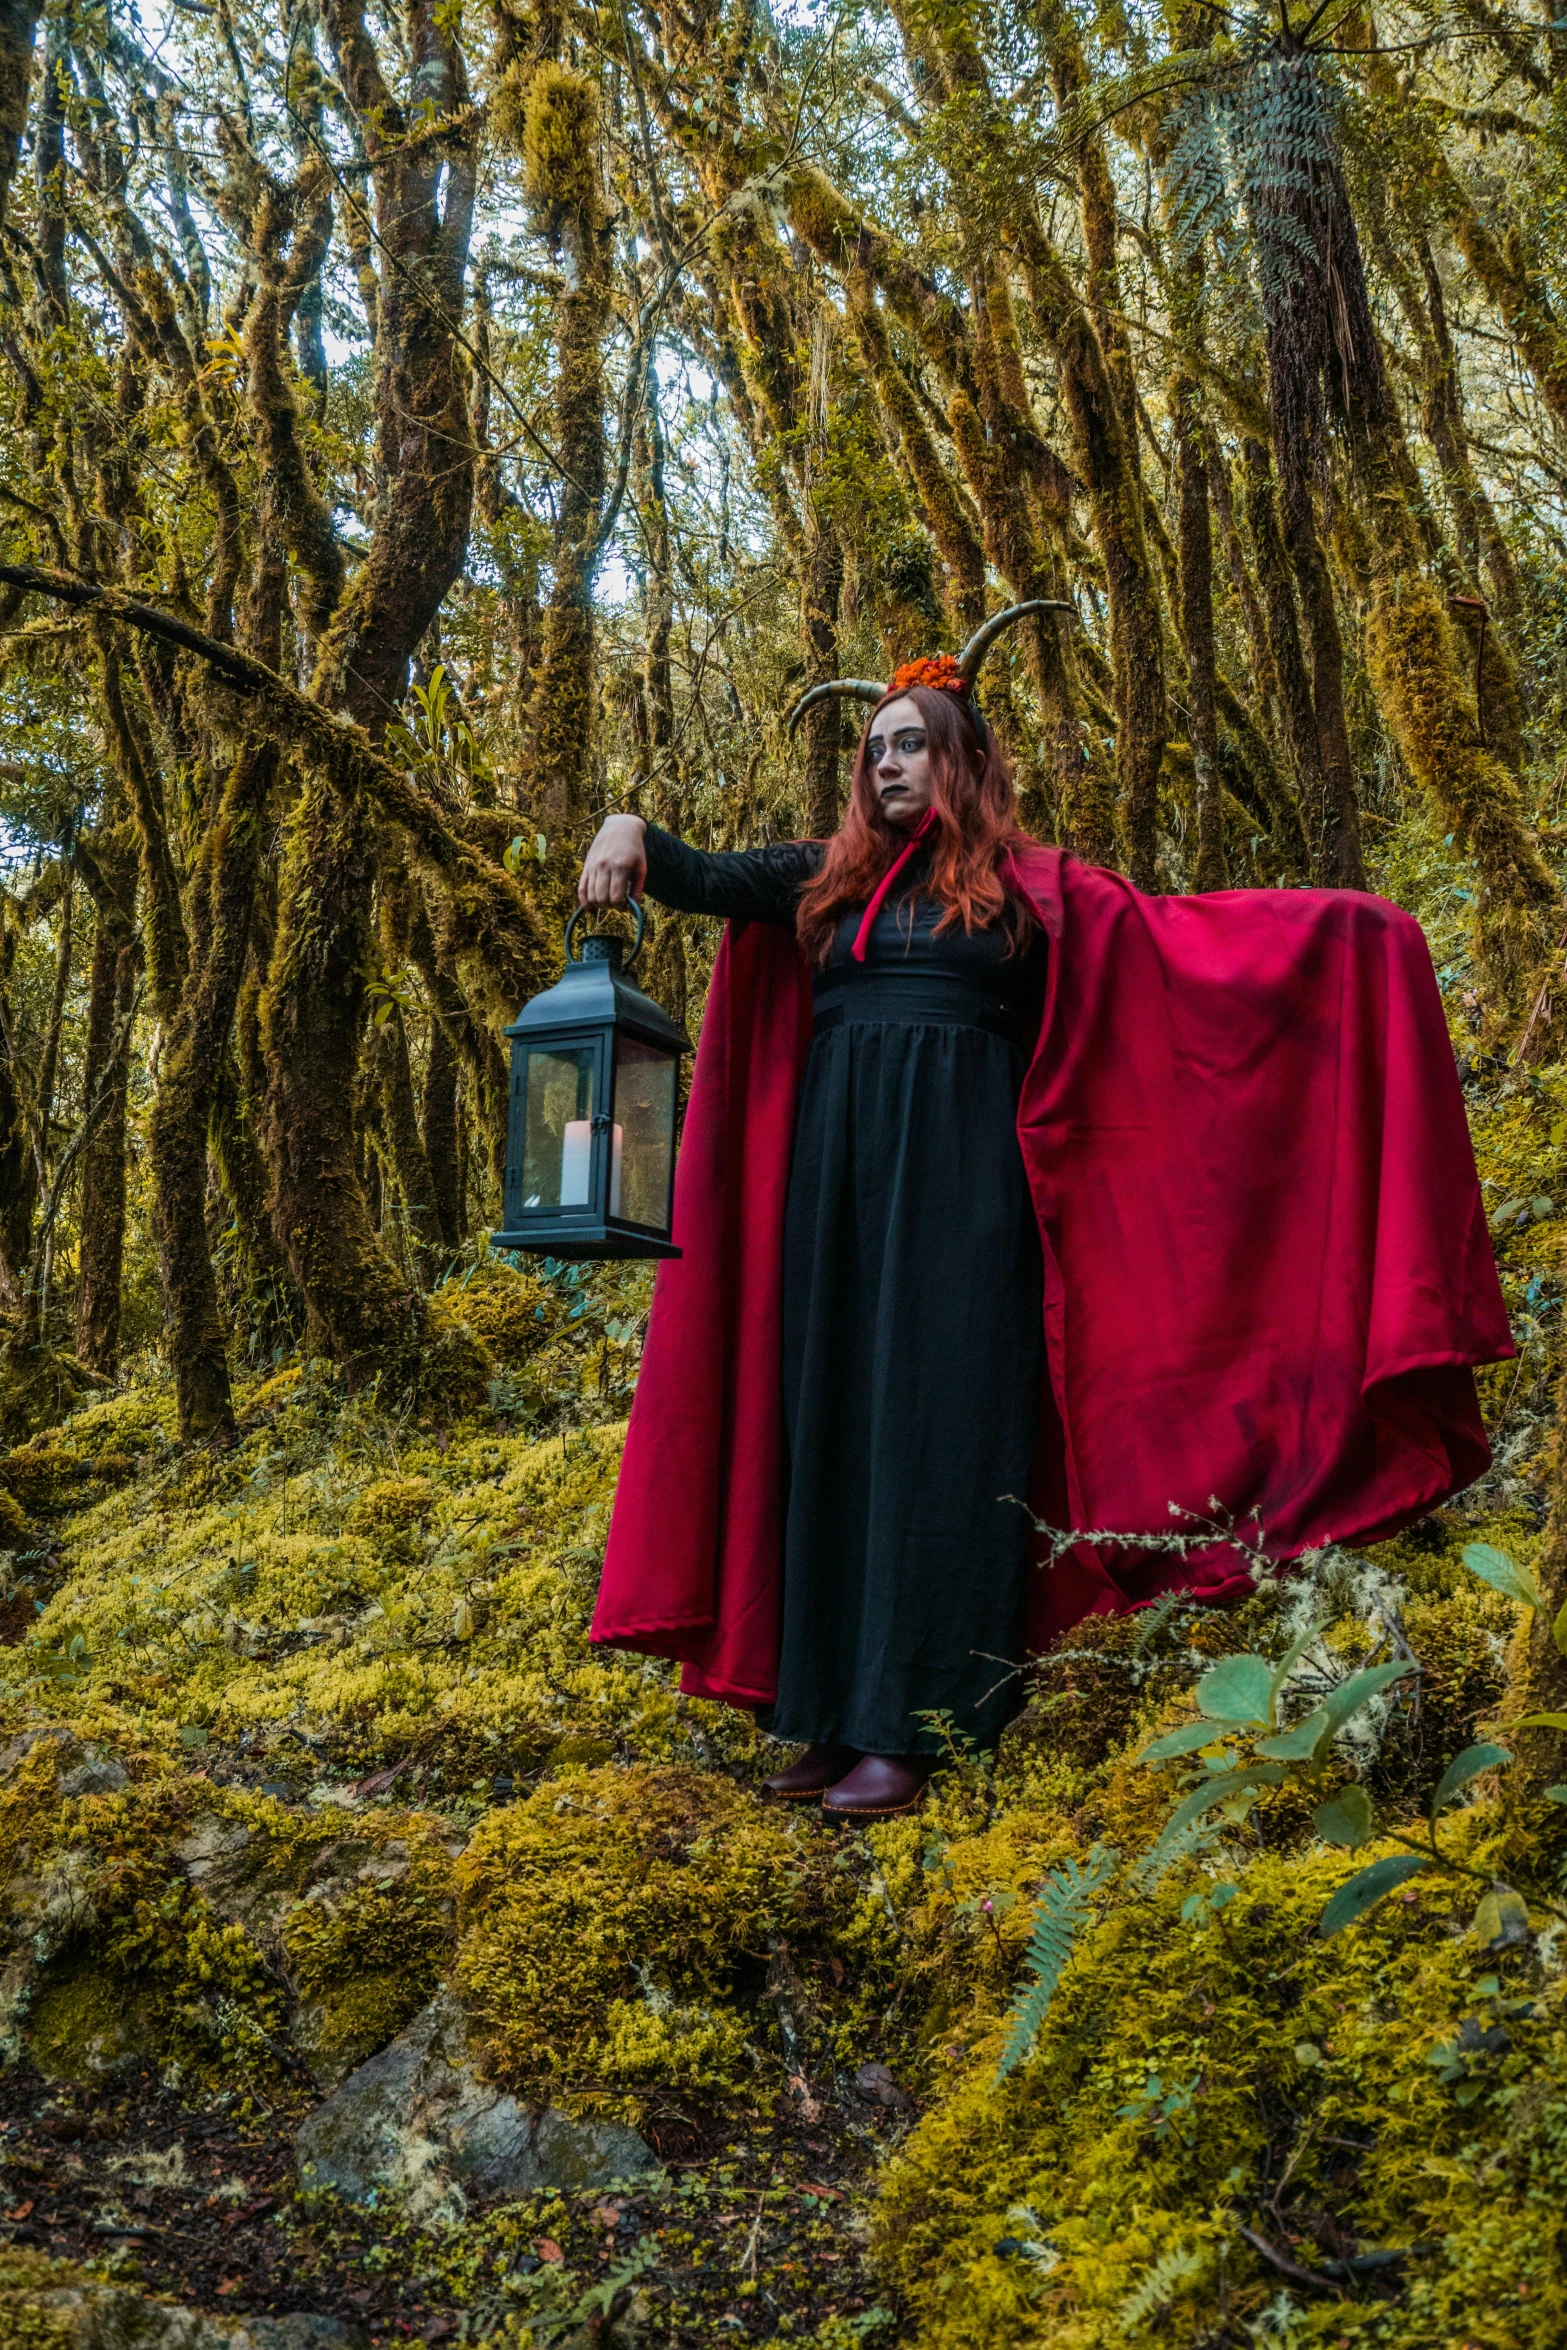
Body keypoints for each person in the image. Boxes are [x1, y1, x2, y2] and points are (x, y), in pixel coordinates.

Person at [584, 627, 1514, 1822]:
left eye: (911, 746)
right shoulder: (825, 881)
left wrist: (1357, 935)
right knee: (830, 1431)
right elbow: (700, 872)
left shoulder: (1033, 894)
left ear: (963, 760)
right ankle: (817, 1707)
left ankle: (915, 1726)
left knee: (938, 1442)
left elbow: (1192, 960)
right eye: (872, 750)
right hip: (836, 1206)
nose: (885, 766)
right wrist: (625, 832)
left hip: (966, 1209)